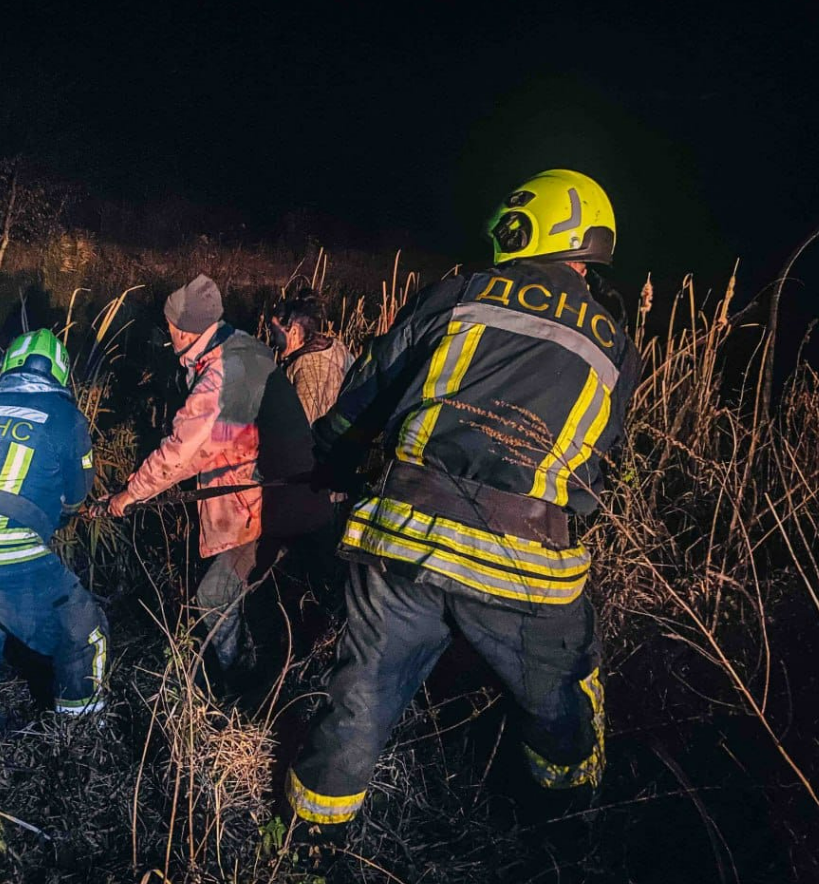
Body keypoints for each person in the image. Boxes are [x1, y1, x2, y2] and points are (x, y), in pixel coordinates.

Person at [284, 170, 640, 832]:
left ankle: (307, 836)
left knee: (362, 698)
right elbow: (592, 472)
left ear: (526, 226)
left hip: (403, 540)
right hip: (523, 565)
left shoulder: (462, 291)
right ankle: (562, 826)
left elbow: (367, 394)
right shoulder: (616, 346)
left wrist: (328, 459)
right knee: (562, 696)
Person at [107, 274, 330, 686]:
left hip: (272, 504)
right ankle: (264, 669)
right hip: (285, 495)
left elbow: (184, 451)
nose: (167, 332)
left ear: (183, 328)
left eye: (170, 324)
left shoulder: (222, 372)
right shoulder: (238, 347)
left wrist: (130, 494)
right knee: (251, 596)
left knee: (214, 597)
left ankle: (239, 686)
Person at [0, 329, 108, 749]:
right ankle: (80, 748)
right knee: (84, 630)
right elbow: (76, 495)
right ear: (62, 375)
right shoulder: (65, 416)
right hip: (4, 545)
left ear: (7, 366)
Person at [270, 290, 355, 424]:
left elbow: (302, 428)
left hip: (323, 441)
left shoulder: (307, 369)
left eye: (275, 333)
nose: (272, 339)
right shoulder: (337, 347)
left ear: (294, 332)